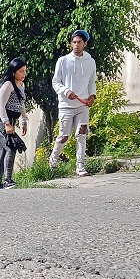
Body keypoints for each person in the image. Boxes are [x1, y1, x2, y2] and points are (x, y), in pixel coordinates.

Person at [50, 29, 97, 177]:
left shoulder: (90, 62)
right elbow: (55, 82)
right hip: (66, 105)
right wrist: (66, 91)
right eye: (74, 42)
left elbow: (92, 81)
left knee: (81, 134)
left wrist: (92, 96)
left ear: (85, 44)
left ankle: (80, 166)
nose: (76, 45)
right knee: (64, 136)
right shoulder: (63, 61)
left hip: (82, 105)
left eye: (79, 42)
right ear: (71, 44)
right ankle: (53, 161)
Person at [0, 57, 29, 189]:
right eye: (21, 71)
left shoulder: (21, 85)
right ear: (13, 72)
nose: (24, 74)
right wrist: (6, 124)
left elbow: (21, 104)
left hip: (11, 121)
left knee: (4, 150)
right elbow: (0, 105)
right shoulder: (8, 85)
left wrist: (24, 121)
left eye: (25, 71)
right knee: (11, 146)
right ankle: (8, 180)